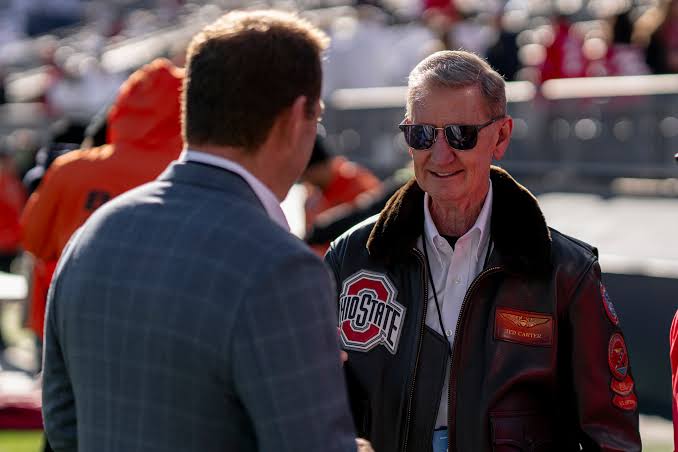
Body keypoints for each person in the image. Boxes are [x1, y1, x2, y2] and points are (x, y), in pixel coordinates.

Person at [41, 10, 362, 452]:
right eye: (316, 117)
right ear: (295, 119)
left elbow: (62, 428)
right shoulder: (281, 267)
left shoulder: (94, 234)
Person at [325, 50, 641, 451]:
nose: (440, 155)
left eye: (461, 134)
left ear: (502, 136)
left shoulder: (565, 271)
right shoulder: (350, 258)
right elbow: (314, 405)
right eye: (422, 134)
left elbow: (611, 437)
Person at [21, 58, 184, 348]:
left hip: (67, 321)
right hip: (158, 331)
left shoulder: (71, 169)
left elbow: (34, 241)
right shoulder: (189, 173)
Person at [301, 135, 381, 254]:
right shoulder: (312, 195)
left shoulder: (358, 183)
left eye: (307, 173)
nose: (305, 179)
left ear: (319, 166)